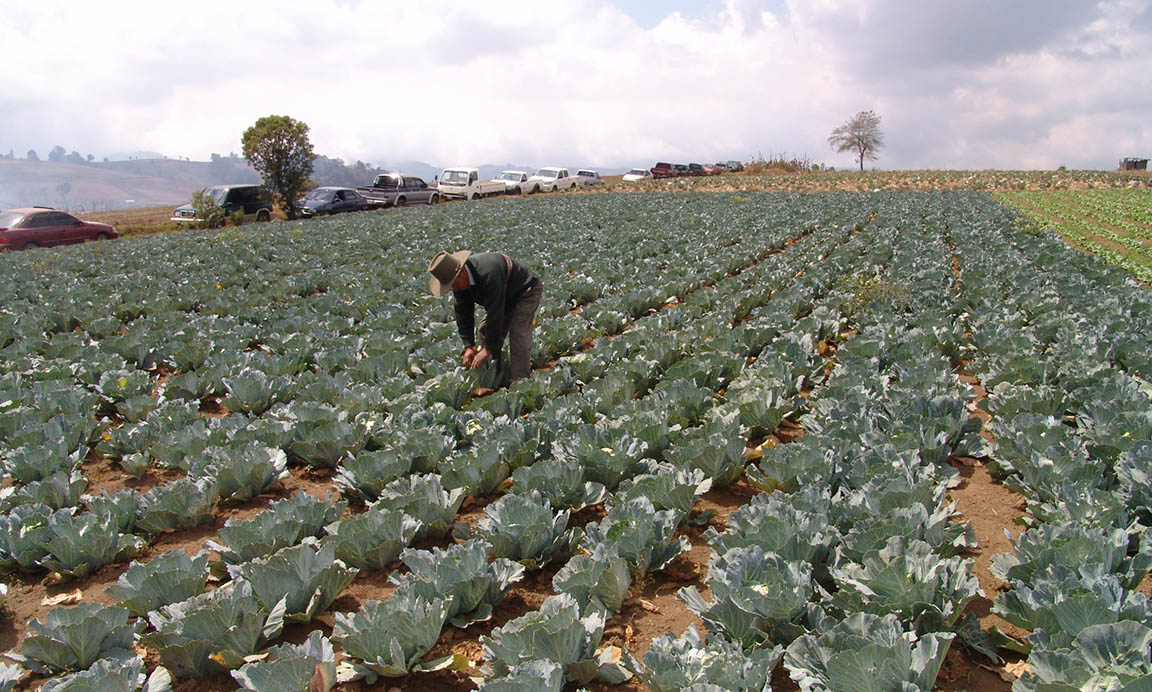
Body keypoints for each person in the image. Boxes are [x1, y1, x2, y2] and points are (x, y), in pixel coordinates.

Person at [428, 250, 543, 386]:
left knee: (518, 334)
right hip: (505, 295)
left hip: (526, 291)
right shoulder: (460, 285)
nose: (454, 288)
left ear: (461, 273)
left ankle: (520, 382)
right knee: (485, 329)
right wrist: (469, 346)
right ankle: (496, 375)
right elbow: (463, 314)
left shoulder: (489, 273)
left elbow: (496, 312)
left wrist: (488, 348)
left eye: (453, 284)